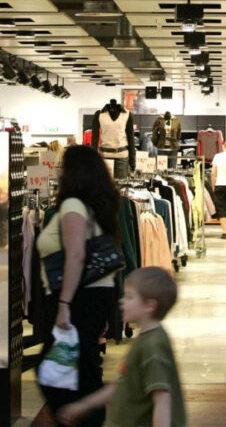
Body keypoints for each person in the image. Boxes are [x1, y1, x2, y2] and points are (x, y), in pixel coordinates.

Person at [36, 145, 121, 427]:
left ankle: (80, 417)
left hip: (79, 297)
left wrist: (64, 304)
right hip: (92, 295)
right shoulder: (91, 207)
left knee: (60, 369)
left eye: (63, 166)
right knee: (79, 366)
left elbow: (76, 255)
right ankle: (81, 416)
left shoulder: (73, 206)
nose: (59, 171)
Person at [58, 267, 186, 427]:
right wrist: (84, 406)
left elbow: (162, 400)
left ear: (149, 306)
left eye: (129, 296)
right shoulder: (146, 339)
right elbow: (121, 384)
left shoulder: (152, 346)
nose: (122, 301)